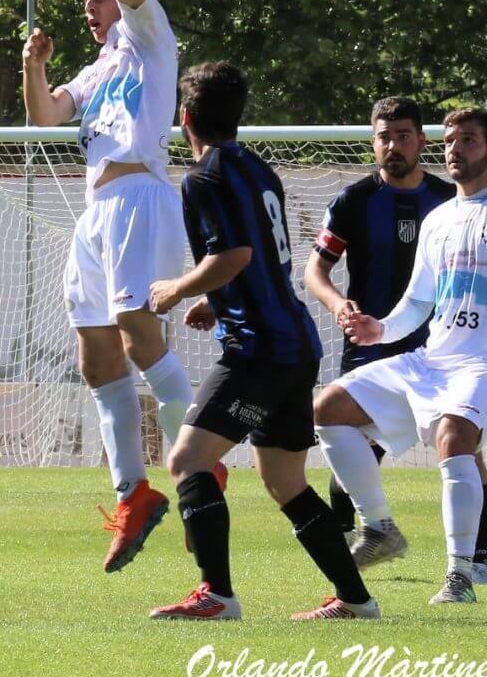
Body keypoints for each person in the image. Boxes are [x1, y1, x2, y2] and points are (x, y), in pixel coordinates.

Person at [314, 108, 487, 604]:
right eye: (450, 140)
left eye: (469, 140)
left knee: (454, 437)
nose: (455, 149)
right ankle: (379, 528)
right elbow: (418, 302)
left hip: (486, 363)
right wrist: (379, 328)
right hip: (431, 359)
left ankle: (461, 575)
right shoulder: (438, 219)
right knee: (328, 407)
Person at [146, 62, 379, 621]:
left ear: (185, 117)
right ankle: (356, 599)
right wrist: (216, 299)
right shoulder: (257, 168)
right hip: (293, 343)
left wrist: (177, 289)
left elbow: (234, 255)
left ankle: (217, 595)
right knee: (284, 480)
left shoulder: (203, 177)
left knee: (187, 461)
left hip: (259, 351)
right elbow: (264, 259)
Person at [0, 0, 197, 574]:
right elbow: (45, 115)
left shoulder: (147, 35)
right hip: (97, 210)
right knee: (96, 355)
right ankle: (132, 494)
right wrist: (32, 67)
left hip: (139, 195)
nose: (89, 4)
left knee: (139, 333)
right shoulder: (99, 65)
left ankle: (200, 467)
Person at [304, 96, 487, 586]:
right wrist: (338, 305)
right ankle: (350, 550)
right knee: (349, 447)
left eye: (403, 136)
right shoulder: (353, 201)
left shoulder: (451, 200)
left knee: (464, 448)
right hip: (371, 344)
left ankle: (478, 562)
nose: (393, 146)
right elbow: (315, 271)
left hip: (441, 351)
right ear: (373, 142)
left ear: (421, 141)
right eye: (384, 137)